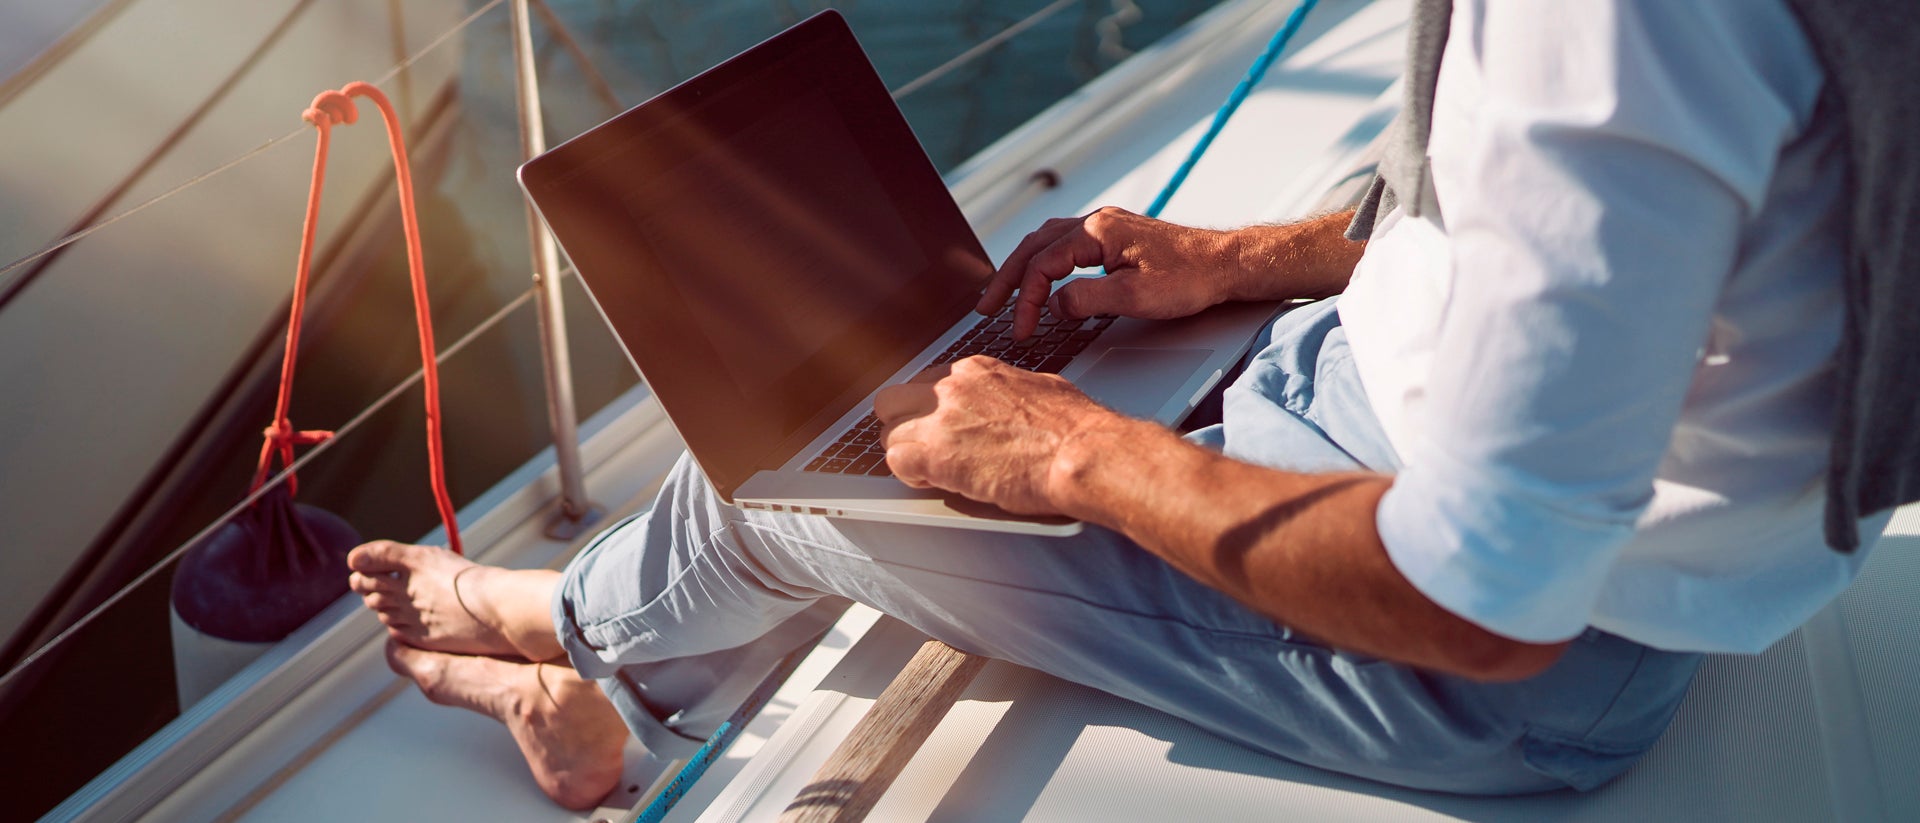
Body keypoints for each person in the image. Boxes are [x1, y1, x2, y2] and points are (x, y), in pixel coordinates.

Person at [346, 0, 1886, 810]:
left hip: (1495, 669)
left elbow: (1492, 602)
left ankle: (554, 635)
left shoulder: (1620, 21)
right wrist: (1243, 260)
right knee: (887, 409)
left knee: (772, 482)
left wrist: (1077, 451)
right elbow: (1631, 257)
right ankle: (612, 653)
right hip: (1350, 401)